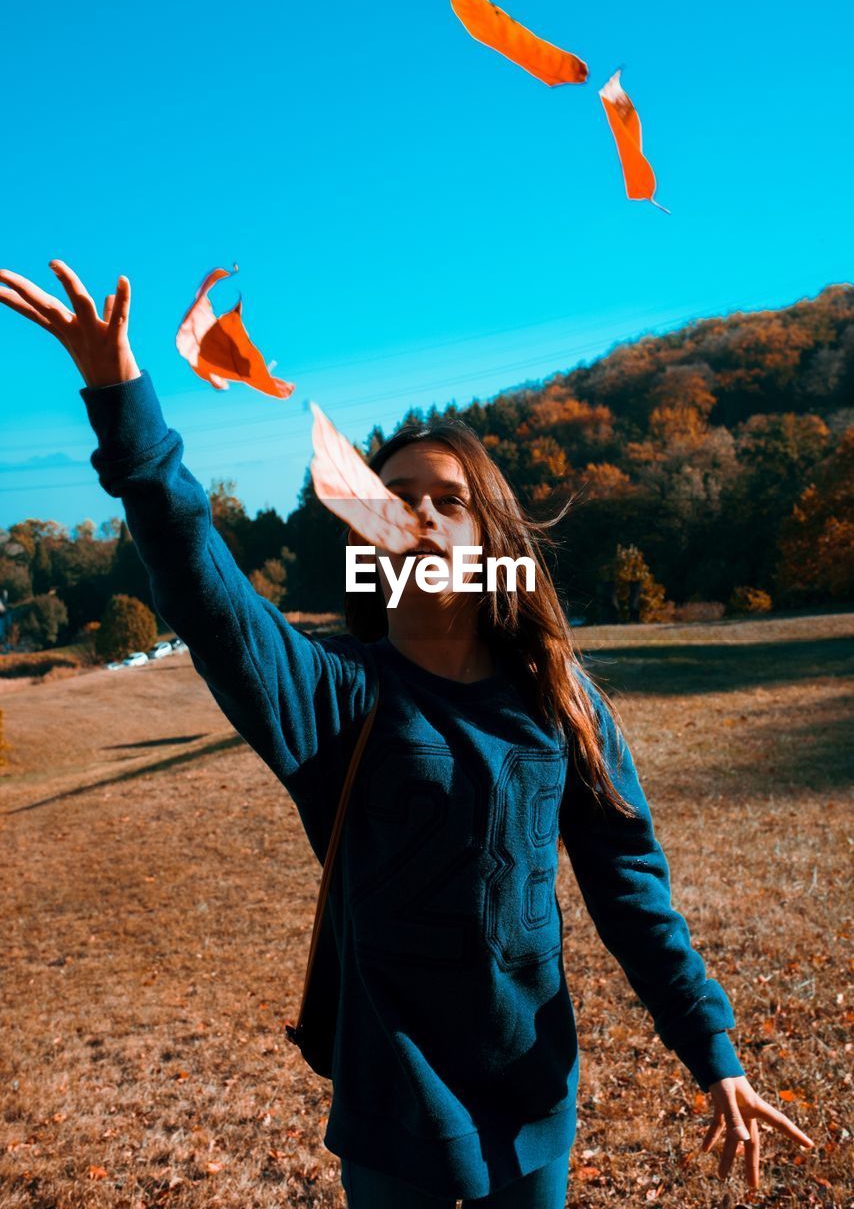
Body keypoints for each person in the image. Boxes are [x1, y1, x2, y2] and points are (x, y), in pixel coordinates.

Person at [0, 261, 815, 1207]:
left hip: (534, 1099)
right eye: (392, 498)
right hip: (396, 1107)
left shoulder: (561, 702)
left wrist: (711, 1048)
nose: (418, 513)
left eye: (448, 497)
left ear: (493, 535)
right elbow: (198, 578)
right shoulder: (335, 693)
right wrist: (122, 399)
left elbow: (631, 891)